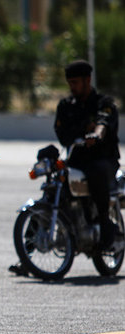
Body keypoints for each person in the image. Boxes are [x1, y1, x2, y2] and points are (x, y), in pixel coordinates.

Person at [55, 60, 120, 249]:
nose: (72, 87)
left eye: (75, 82)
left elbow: (103, 123)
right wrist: (82, 129)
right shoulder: (66, 106)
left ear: (87, 80)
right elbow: (62, 134)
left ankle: (105, 223)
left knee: (96, 171)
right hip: (77, 160)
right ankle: (30, 247)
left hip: (104, 159)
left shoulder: (103, 103)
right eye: (70, 83)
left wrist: (96, 135)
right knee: (54, 180)